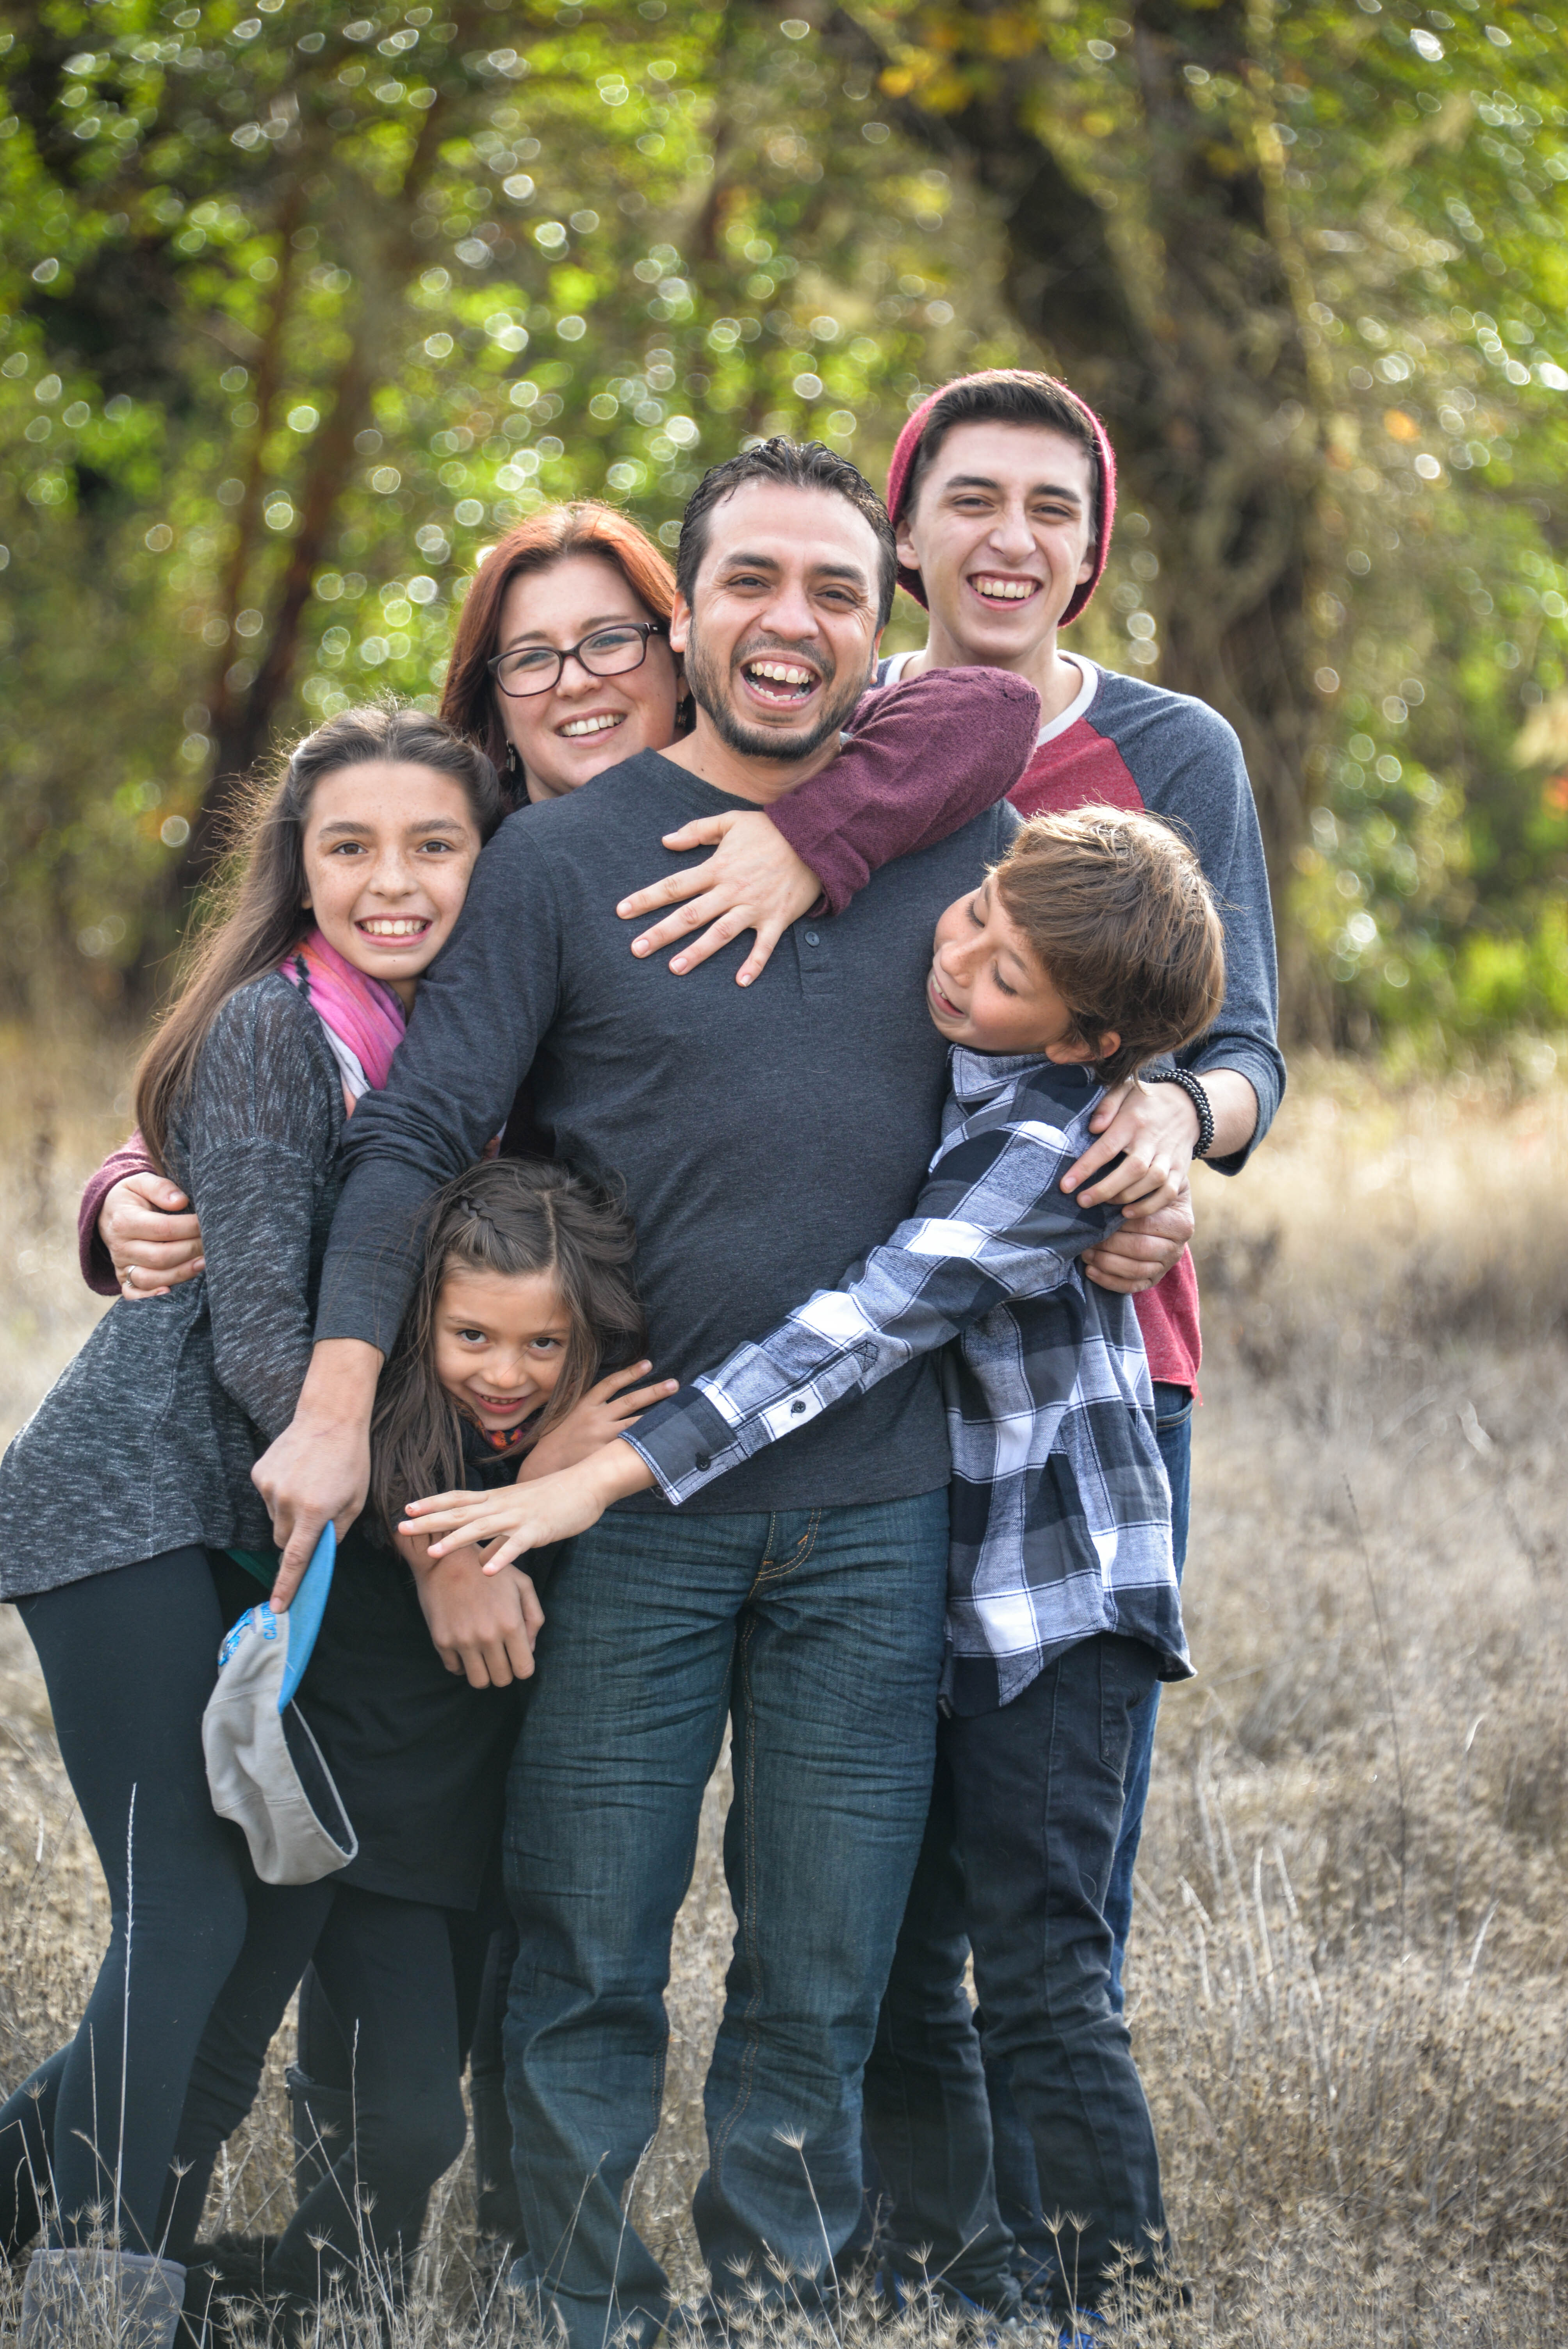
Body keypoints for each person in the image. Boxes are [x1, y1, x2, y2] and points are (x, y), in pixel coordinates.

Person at [245, 438, 1048, 2349]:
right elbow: (417, 1135)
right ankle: (577, 2306)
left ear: (876, 624)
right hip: (625, 1508)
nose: (791, 621)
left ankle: (772, 2304)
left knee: (820, 1967)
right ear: (688, 621)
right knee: (586, 1952)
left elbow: (1076, 1047)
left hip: (877, 1509)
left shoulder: (958, 843)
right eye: (750, 581)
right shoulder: (555, 861)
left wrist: (1159, 1148)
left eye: (835, 589)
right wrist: (340, 1404)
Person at [404, 802, 1228, 2333]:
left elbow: (853, 1330)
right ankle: (859, 2285)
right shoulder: (998, 1050)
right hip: (949, 1583)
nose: (959, 955)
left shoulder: (1050, 1149)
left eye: (1007, 970)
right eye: (976, 912)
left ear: (1083, 1037)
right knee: (857, 1957)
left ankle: (1097, 2306)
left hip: (1048, 1599)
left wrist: (594, 1476)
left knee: (1023, 1972)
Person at [179, 1151, 660, 2332]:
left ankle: (295, 2304)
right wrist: (529, 1481)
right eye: (472, 1338)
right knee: (386, 2118)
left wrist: (557, 1471)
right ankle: (216, 2281)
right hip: (357, 1829)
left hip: (464, 1836)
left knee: (396, 2126)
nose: (506, 1374)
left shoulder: (575, 1441)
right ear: (420, 1326)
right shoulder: (384, 1444)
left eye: (544, 1345)